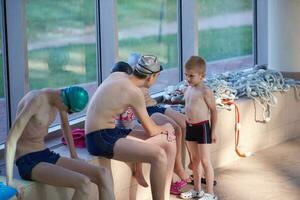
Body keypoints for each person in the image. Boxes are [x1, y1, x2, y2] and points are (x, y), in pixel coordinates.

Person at [85, 55, 176, 200]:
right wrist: (166, 126)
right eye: (157, 77)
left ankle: (165, 195)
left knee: (167, 140)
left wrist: (165, 130)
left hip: (108, 132)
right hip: (100, 138)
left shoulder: (119, 75)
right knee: (158, 156)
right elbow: (151, 130)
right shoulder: (134, 92)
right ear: (151, 77)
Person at [5, 86, 115, 200]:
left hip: (45, 153)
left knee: (103, 174)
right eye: (69, 111)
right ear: (63, 99)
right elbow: (11, 139)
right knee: (83, 183)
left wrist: (74, 156)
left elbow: (65, 126)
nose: (67, 113)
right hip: (28, 160)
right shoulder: (36, 100)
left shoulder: (59, 100)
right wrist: (10, 181)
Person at [180, 56, 218, 200]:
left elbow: (214, 111)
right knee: (195, 161)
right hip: (190, 127)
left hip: (202, 128)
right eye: (186, 75)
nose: (188, 78)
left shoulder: (205, 91)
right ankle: (197, 190)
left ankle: (210, 193)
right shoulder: (187, 89)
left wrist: (213, 131)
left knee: (205, 161)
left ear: (202, 75)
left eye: (191, 76)